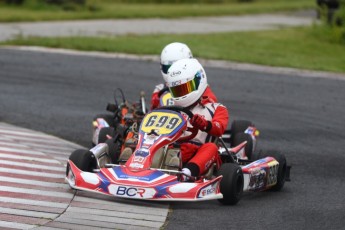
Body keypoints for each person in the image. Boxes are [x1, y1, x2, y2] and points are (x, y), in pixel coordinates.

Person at [165, 58, 229, 180]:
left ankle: (186, 174)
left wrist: (205, 125)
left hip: (198, 153)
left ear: (199, 80)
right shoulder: (171, 109)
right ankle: (134, 166)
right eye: (177, 90)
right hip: (172, 147)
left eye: (185, 88)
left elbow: (219, 128)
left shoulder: (216, 108)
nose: (181, 94)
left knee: (211, 148)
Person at [150, 42, 217, 110]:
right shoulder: (159, 90)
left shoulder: (201, 89)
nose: (174, 71)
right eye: (169, 67)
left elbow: (211, 111)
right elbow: (152, 112)